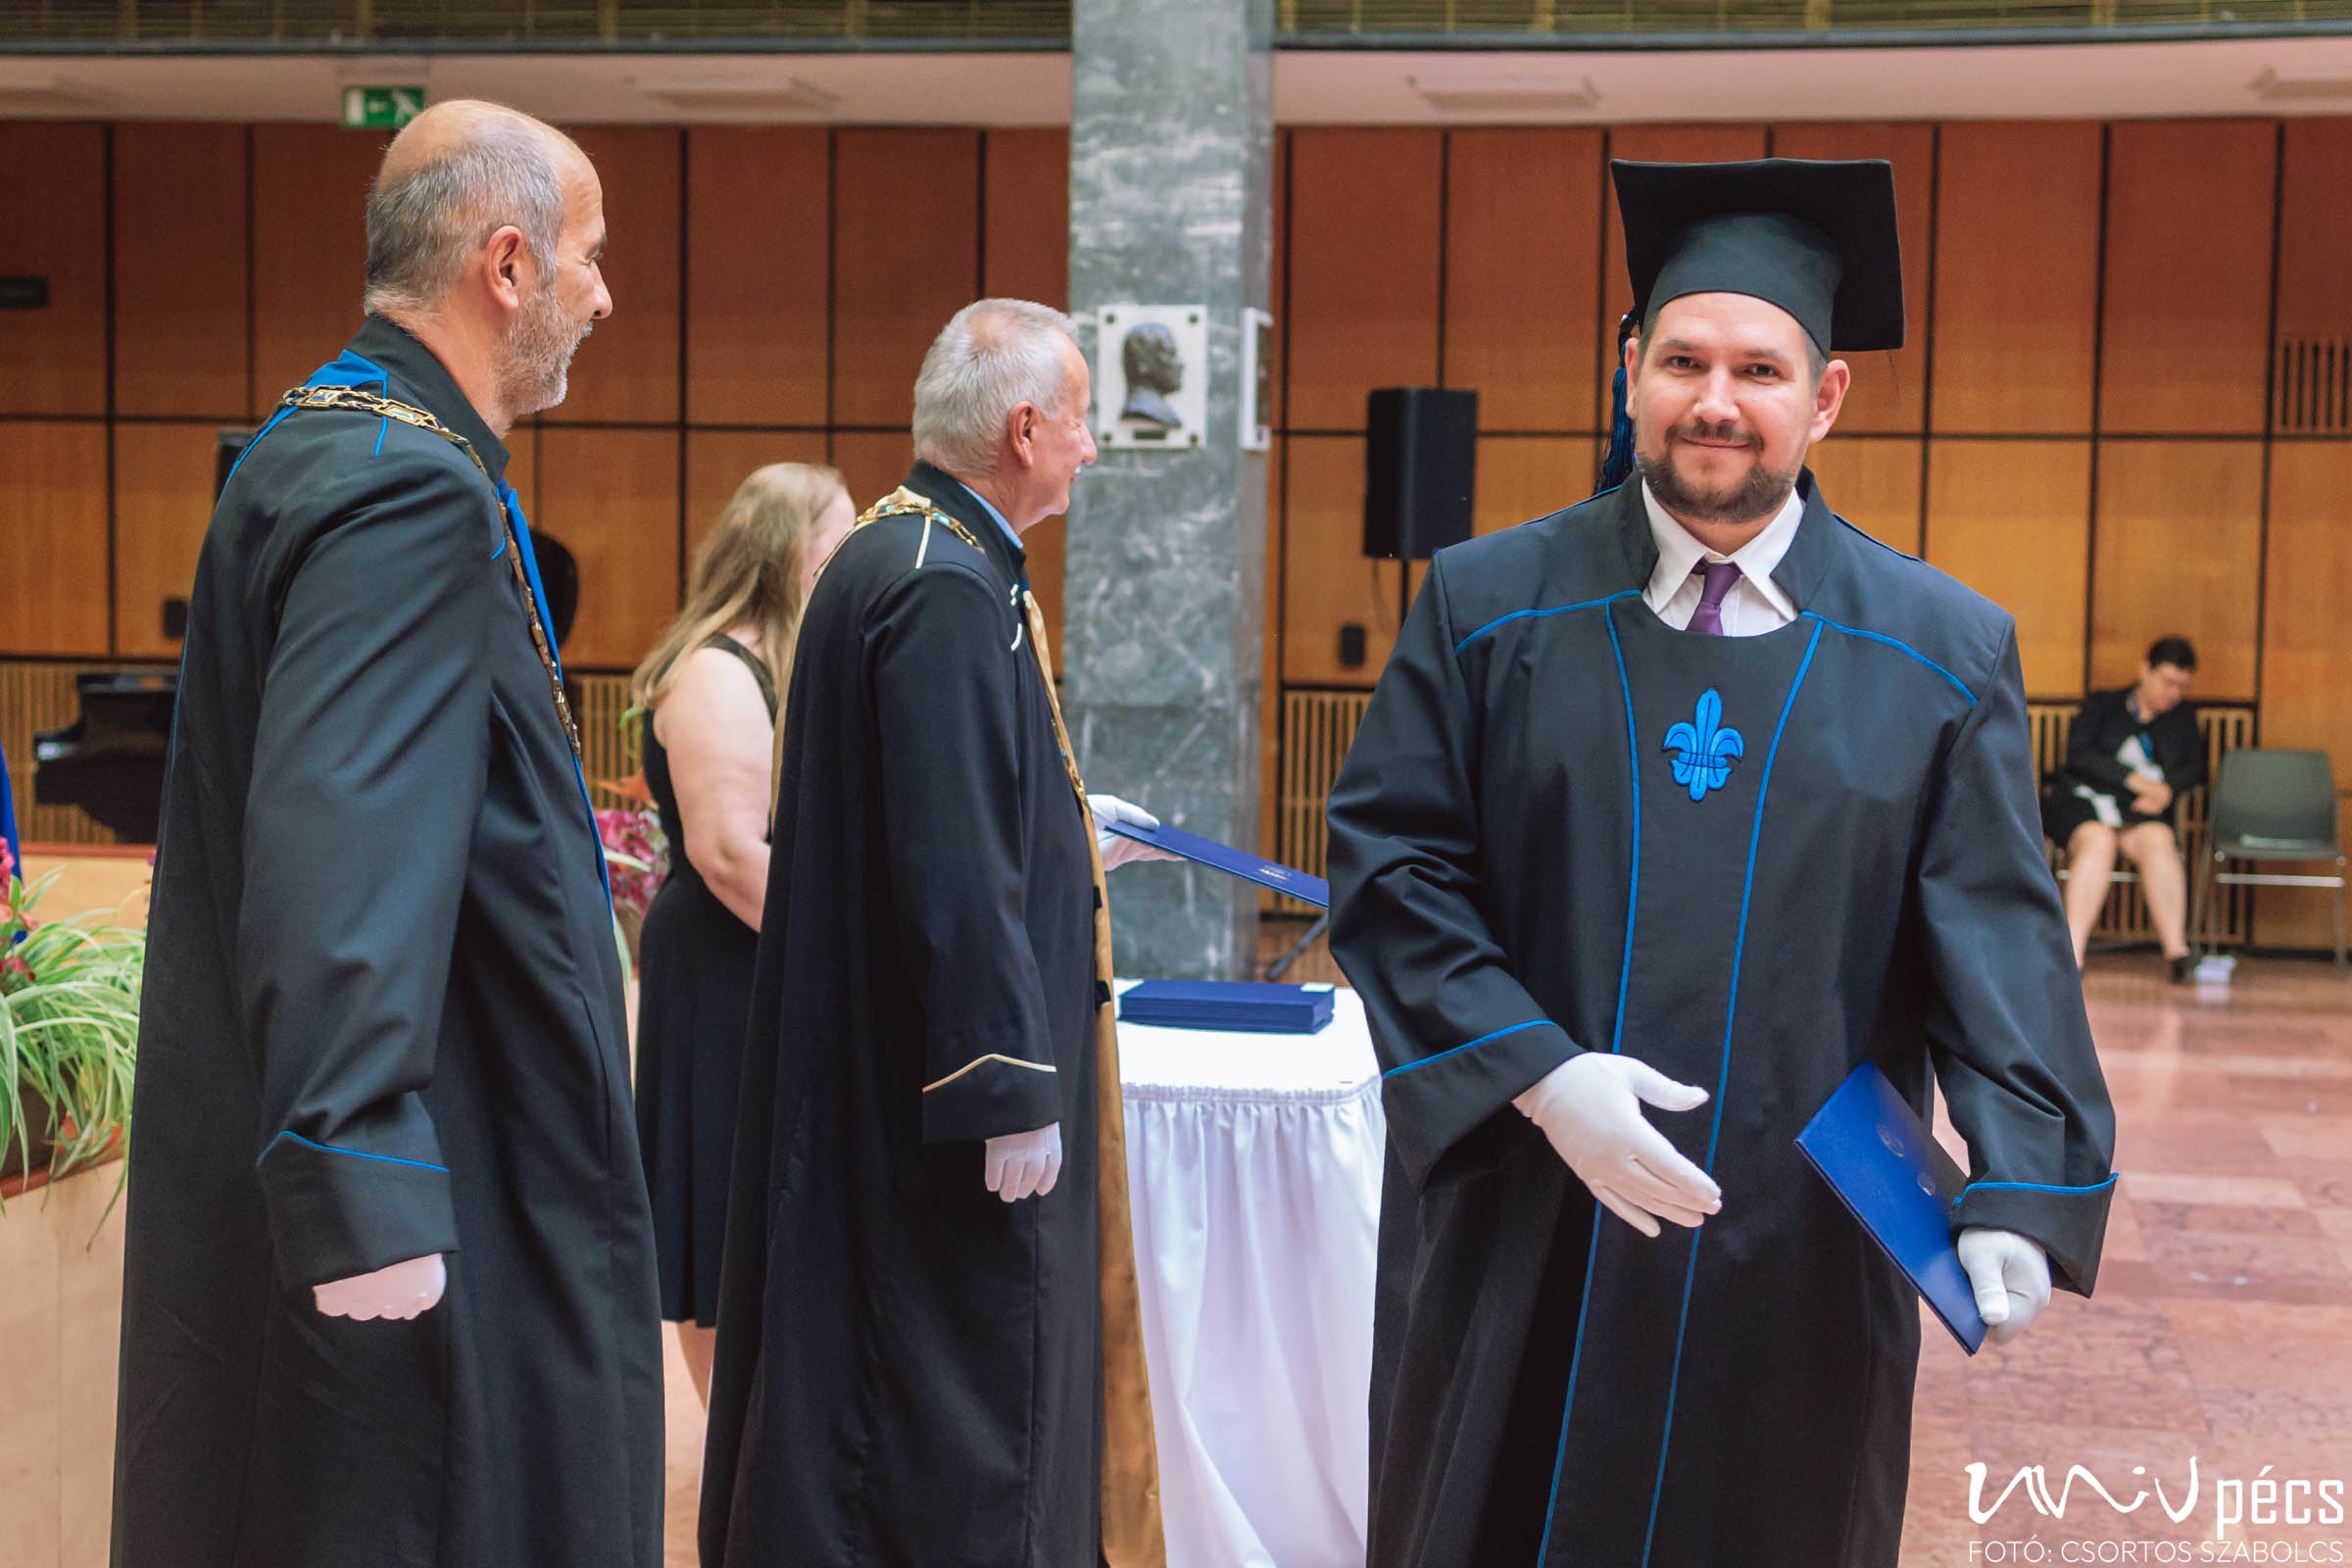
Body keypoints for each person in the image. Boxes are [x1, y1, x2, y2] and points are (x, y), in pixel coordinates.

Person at [1325, 159, 2117, 1568]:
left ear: (1826, 398)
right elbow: (1394, 870)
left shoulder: (1939, 652)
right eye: (1684, 360)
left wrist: (2021, 1190)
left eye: (1761, 369)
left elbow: (1997, 941)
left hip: (1797, 1245)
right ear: (1630, 370)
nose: (1716, 400)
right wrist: (1536, 1074)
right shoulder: (1488, 607)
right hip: (1532, 1214)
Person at [114, 101, 664, 1568]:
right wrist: (358, 1166)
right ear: (507, 264)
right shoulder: (405, 487)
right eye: (589, 257)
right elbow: (340, 843)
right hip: (444, 1175)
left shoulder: (326, 440)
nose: (604, 295)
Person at [701, 299, 1169, 1568]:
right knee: (955, 1405)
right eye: (1079, 422)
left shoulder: (896, 551)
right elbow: (948, 856)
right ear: (1023, 429)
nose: (1088, 449)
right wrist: (1004, 1081)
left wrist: (1068, 836)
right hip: (936, 1109)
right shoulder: (946, 587)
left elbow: (935, 809)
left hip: (879, 1076)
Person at [628, 461, 854, 1401]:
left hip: (767, 958)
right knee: (724, 1220)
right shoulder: (719, 670)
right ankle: (738, 1450)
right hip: (727, 969)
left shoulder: (787, 662)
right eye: (839, 541)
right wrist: (851, 964)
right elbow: (730, 855)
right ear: (788, 553)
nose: (854, 560)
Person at [2043, 635, 2205, 977]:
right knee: (2098, 842)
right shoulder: (2103, 704)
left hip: (2139, 812)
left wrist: (2165, 790)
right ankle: (2073, 955)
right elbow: (2080, 756)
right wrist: (2135, 782)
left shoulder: (2183, 717)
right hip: (2085, 803)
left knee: (2159, 840)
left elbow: (2196, 768)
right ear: (2145, 670)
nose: (2173, 693)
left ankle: (2177, 952)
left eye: (2182, 686)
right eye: (2168, 682)